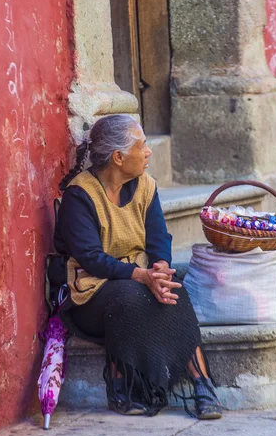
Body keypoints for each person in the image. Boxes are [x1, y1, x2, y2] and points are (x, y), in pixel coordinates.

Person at [54, 114, 222, 420]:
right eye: (141, 146)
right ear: (118, 157)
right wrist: (141, 276)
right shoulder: (80, 196)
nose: (148, 152)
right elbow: (91, 257)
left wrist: (159, 270)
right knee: (129, 297)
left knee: (174, 291)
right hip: (90, 291)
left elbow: (159, 237)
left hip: (139, 277)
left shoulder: (145, 185)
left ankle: (203, 385)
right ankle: (122, 389)